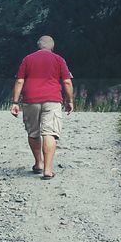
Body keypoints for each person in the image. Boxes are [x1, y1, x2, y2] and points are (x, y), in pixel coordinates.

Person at [10, 35, 74, 180]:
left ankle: (38, 163)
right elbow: (67, 82)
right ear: (52, 46)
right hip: (52, 99)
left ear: (38, 45)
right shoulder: (59, 59)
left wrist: (14, 102)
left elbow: (20, 81)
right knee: (49, 133)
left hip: (30, 100)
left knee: (33, 132)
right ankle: (48, 170)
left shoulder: (27, 59)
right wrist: (70, 100)